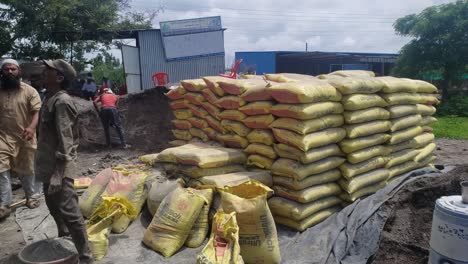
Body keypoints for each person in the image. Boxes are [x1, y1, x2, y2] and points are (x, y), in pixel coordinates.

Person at [36, 59, 93, 263]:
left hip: (59, 168)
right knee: (54, 207)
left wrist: (58, 175)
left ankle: (85, 257)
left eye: (48, 70)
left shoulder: (62, 102)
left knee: (70, 212)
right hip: (47, 166)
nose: (43, 72)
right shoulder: (49, 98)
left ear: (59, 78)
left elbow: (66, 142)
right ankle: (65, 242)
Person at [0, 58, 42, 219]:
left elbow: (36, 112)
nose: (9, 72)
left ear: (19, 72)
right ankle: (4, 204)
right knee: (1, 169)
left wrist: (31, 127)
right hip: (3, 137)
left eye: (13, 69)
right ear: (2, 72)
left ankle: (32, 197)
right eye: (6, 69)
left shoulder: (29, 91)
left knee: (28, 168)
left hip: (25, 136)